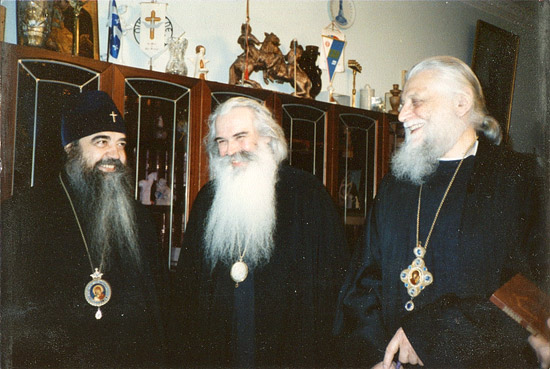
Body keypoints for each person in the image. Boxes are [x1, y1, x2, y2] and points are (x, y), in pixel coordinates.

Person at [334, 56, 548, 369]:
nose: (402, 115)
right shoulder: (396, 184)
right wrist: (379, 356)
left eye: (415, 102)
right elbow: (363, 285)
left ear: (461, 103)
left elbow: (531, 294)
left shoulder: (520, 179)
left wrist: (430, 335)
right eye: (403, 103)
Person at [171, 97, 348, 368]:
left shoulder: (306, 194)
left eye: (240, 137)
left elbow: (332, 289)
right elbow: (188, 291)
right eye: (222, 141)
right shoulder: (207, 199)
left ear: (267, 138)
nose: (230, 150)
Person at [1, 90, 168, 368]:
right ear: (71, 149)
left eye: (121, 143)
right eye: (101, 142)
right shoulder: (23, 214)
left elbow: (155, 320)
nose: (115, 154)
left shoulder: (139, 220)